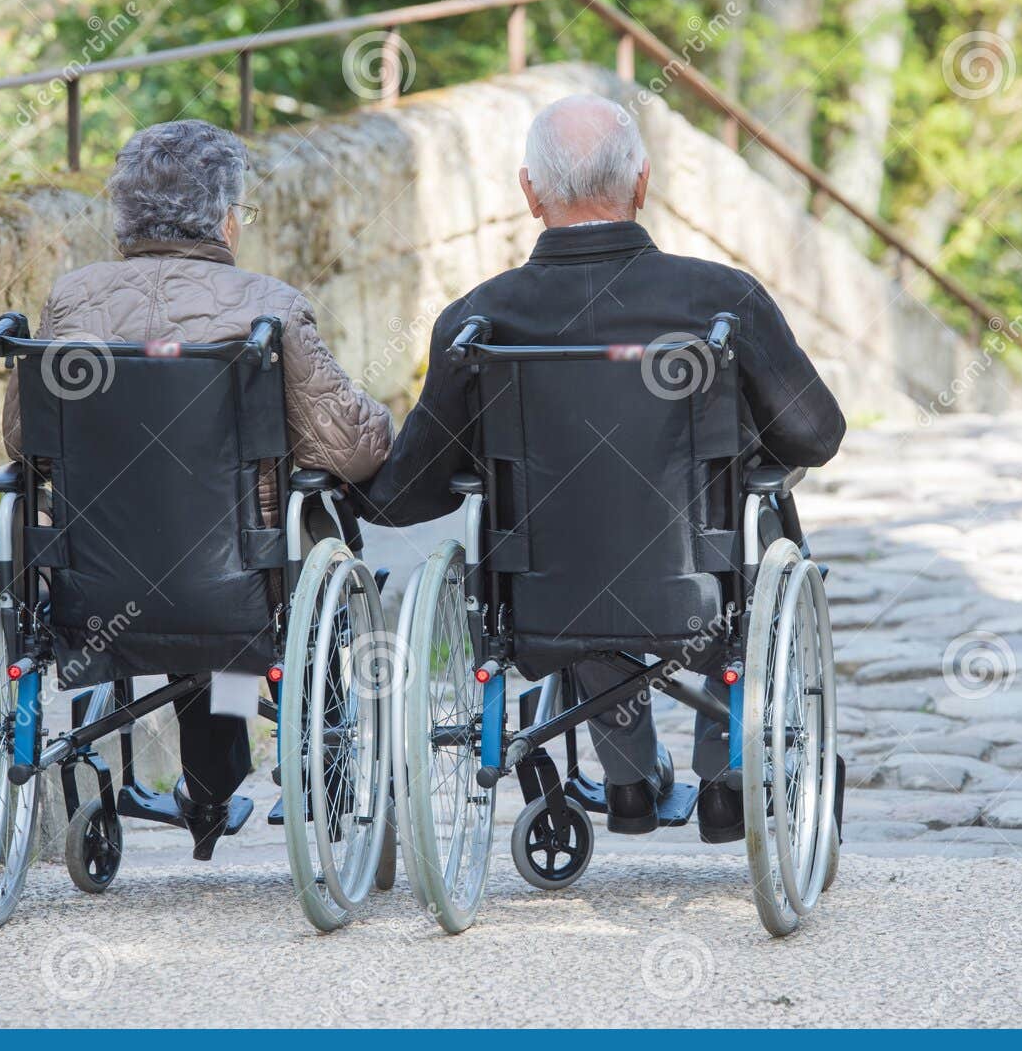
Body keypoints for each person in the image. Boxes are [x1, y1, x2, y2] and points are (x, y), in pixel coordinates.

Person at [357, 94, 843, 843]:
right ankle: (724, 774)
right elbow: (816, 435)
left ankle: (628, 783)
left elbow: (405, 497)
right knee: (749, 531)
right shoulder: (720, 299)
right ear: (641, 184)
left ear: (530, 192)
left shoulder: (480, 320)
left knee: (578, 566)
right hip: (700, 592)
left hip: (542, 603)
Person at [2, 119, 392, 859]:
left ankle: (209, 788)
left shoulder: (72, 304)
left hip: (98, 584)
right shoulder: (266, 306)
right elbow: (351, 447)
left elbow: (24, 445)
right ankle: (226, 780)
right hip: (238, 586)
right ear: (225, 218)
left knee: (199, 610)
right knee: (264, 565)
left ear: (123, 215)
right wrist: (388, 426)